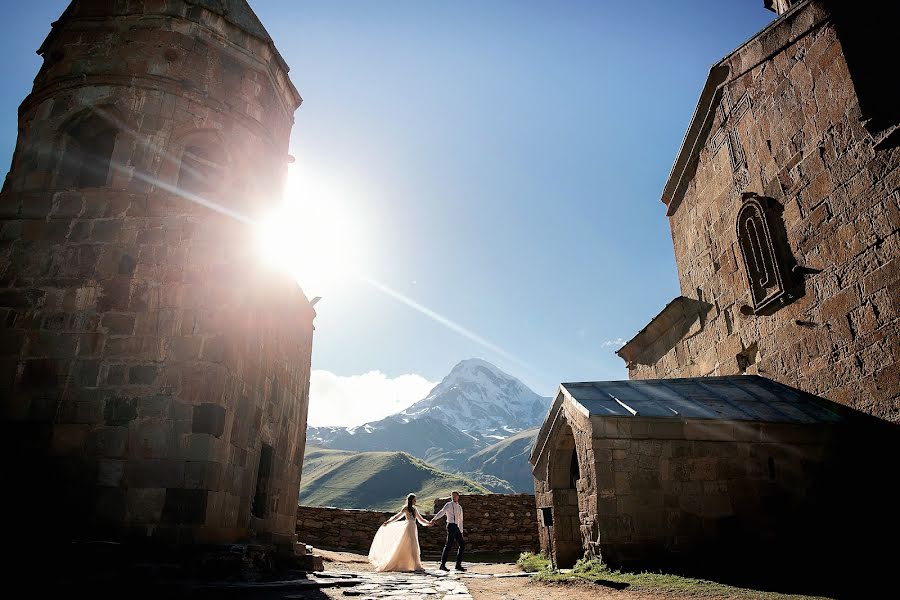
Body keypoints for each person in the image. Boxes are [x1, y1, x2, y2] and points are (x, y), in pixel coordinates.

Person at [368, 493, 431, 572]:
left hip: (413, 528)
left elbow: (420, 519)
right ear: (411, 500)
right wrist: (389, 521)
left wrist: (428, 523)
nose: (416, 501)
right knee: (412, 545)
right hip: (408, 528)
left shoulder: (415, 509)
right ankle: (416, 566)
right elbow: (397, 516)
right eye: (414, 500)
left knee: (413, 546)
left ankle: (415, 565)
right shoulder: (405, 508)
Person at [429, 491, 465, 571]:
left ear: (458, 496)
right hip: (451, 526)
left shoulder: (459, 507)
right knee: (449, 545)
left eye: (455, 496)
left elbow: (460, 520)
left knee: (462, 544)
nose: (454, 497)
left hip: (457, 527)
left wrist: (461, 531)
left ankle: (458, 565)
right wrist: (434, 519)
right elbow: (442, 512)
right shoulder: (448, 505)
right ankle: (443, 564)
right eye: (452, 496)